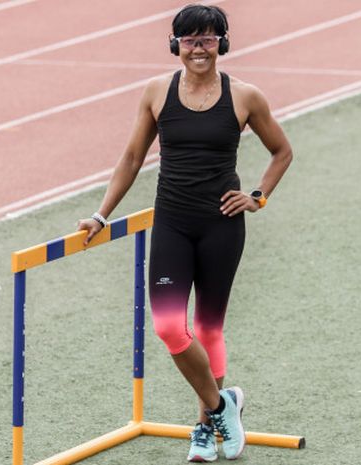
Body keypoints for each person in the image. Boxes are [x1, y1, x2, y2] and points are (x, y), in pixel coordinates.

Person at [77, 4, 292, 462]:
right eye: (190, 40)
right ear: (176, 45)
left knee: (208, 328)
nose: (199, 48)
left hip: (222, 226)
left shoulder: (245, 96)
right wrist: (100, 215)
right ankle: (222, 407)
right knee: (170, 327)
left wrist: (257, 196)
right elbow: (132, 158)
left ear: (223, 43)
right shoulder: (157, 92)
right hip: (172, 223)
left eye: (209, 39)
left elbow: (281, 152)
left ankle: (201, 430)